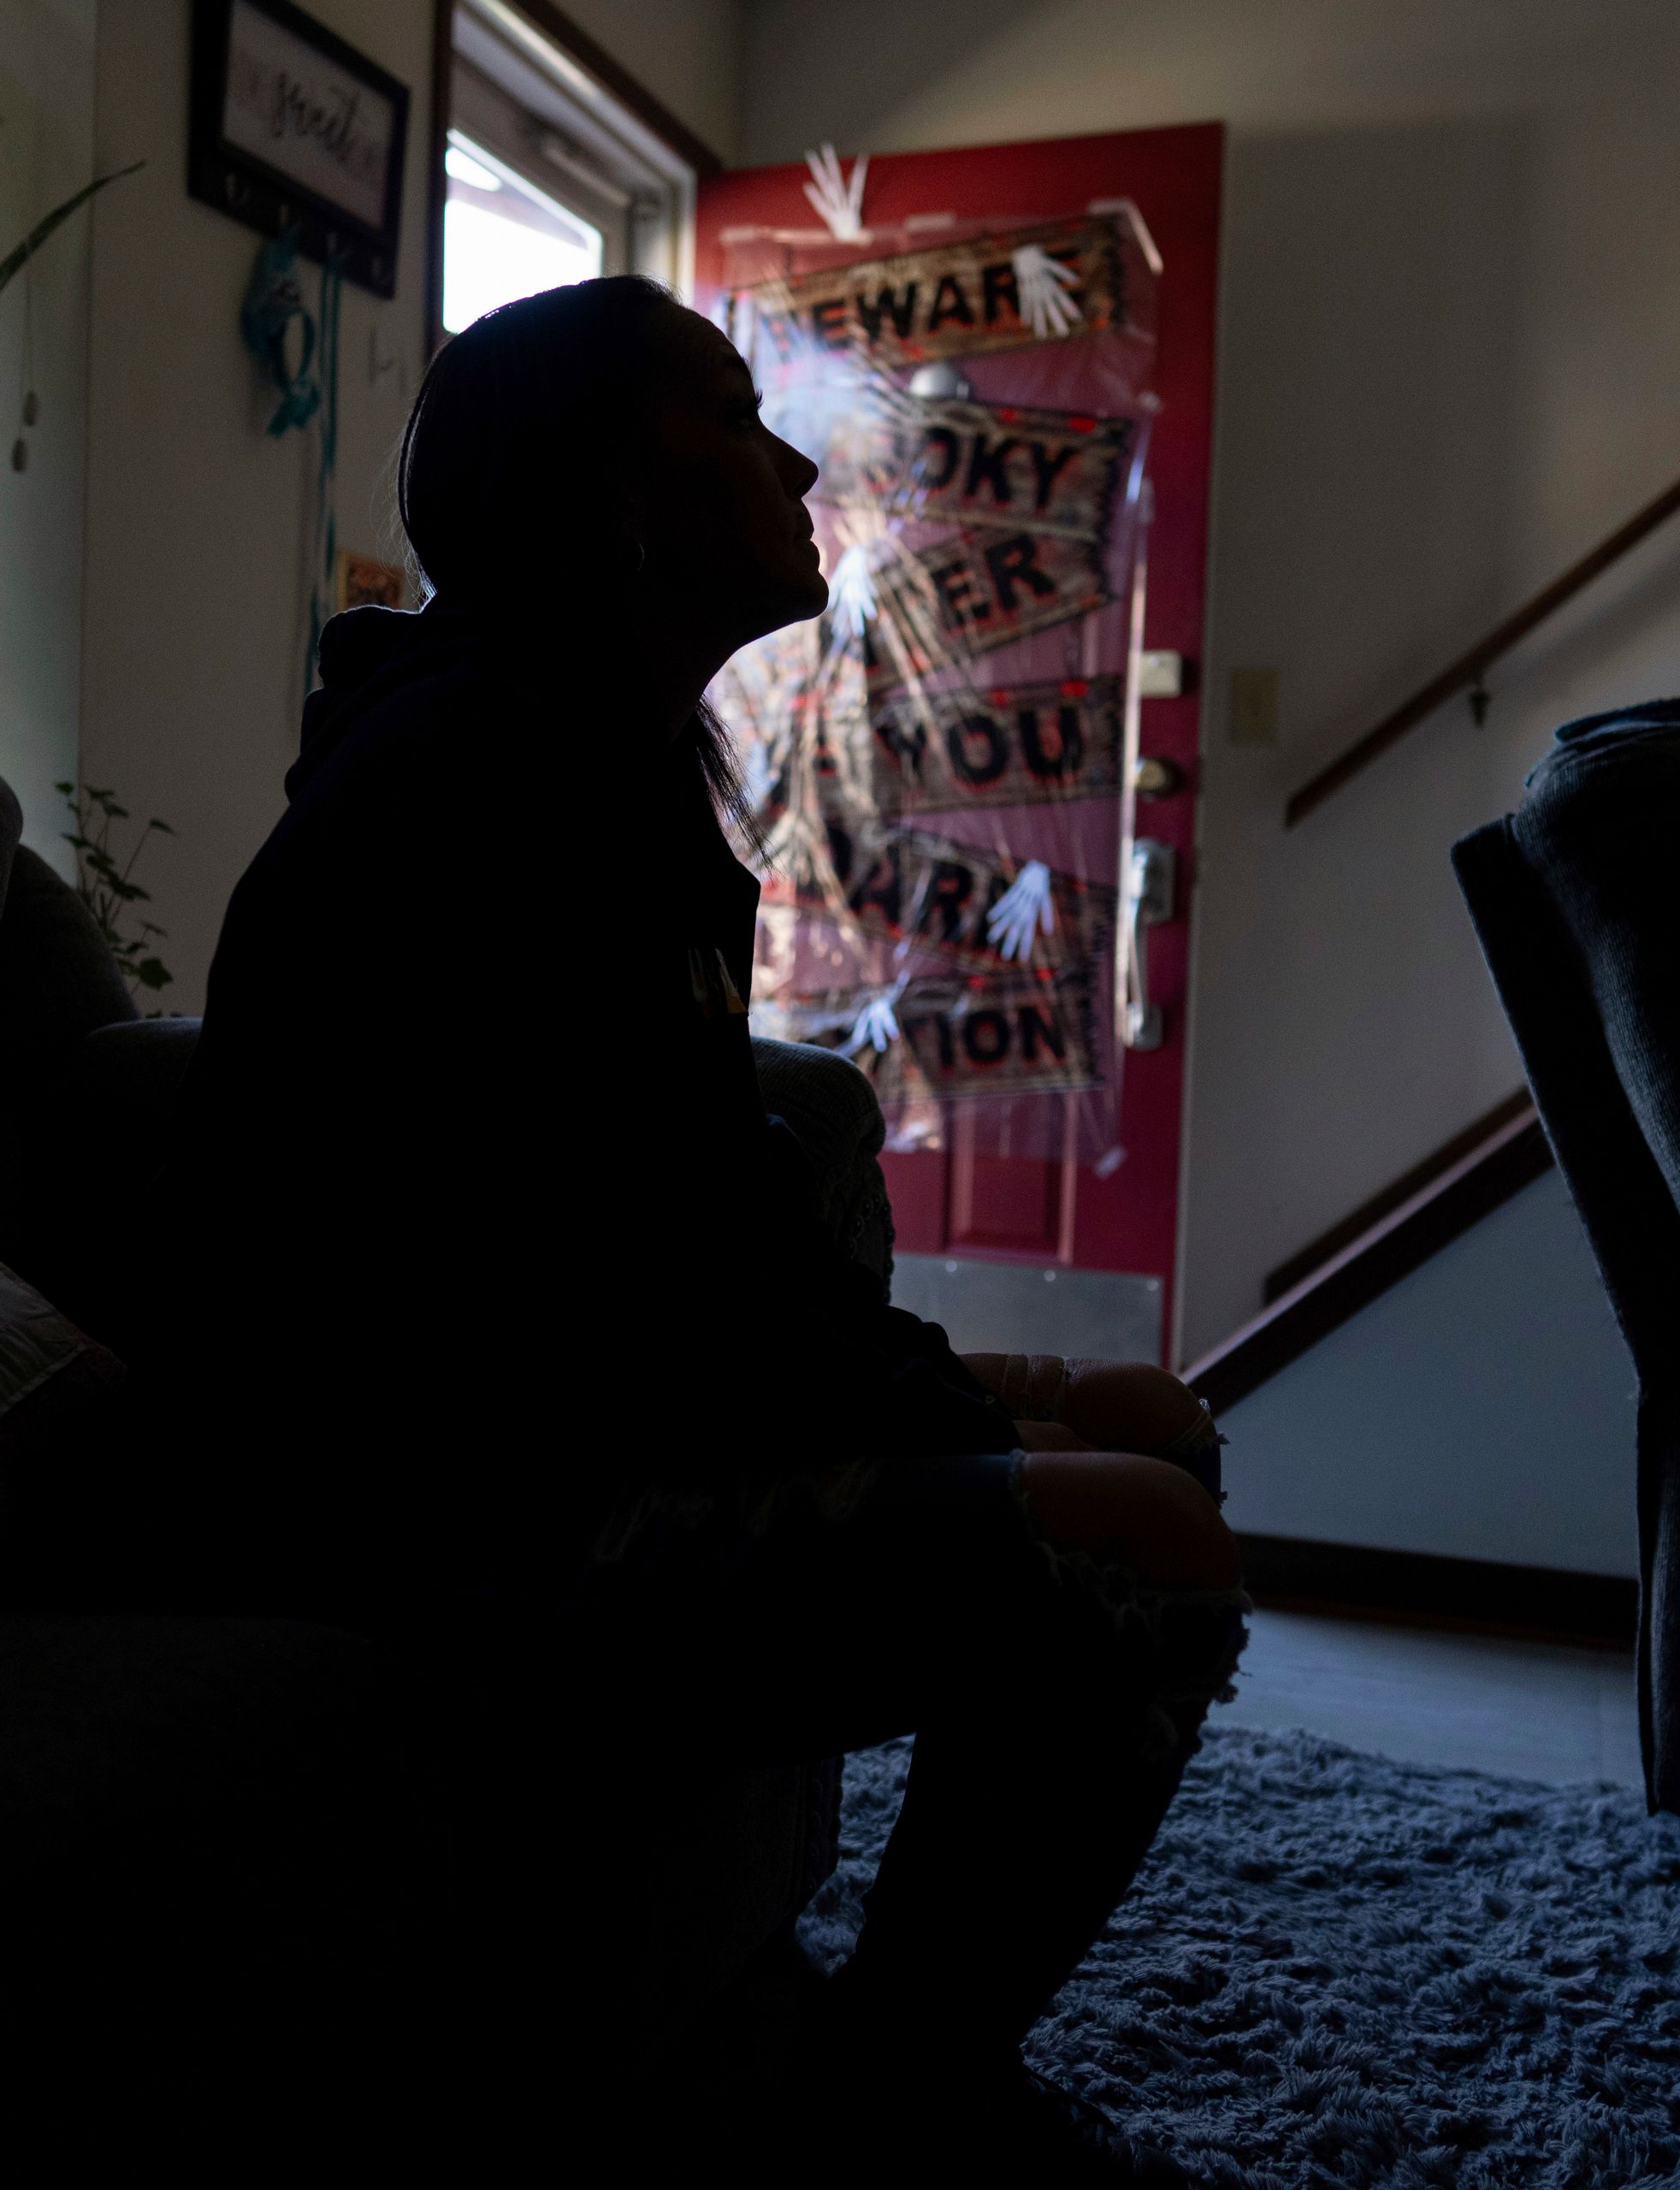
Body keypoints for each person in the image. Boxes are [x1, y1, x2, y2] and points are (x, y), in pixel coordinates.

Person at [153, 276, 1245, 2180]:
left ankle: (883, 2041)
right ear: (615, 490)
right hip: (445, 1511)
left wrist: (979, 1399)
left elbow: (683, 1239)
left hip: (580, 1413)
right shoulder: (480, 783)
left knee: (1143, 1427)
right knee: (1141, 1544)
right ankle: (882, 2099)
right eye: (735, 414)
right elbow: (619, 1306)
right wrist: (959, 1422)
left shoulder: (594, 760)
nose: (795, 457)